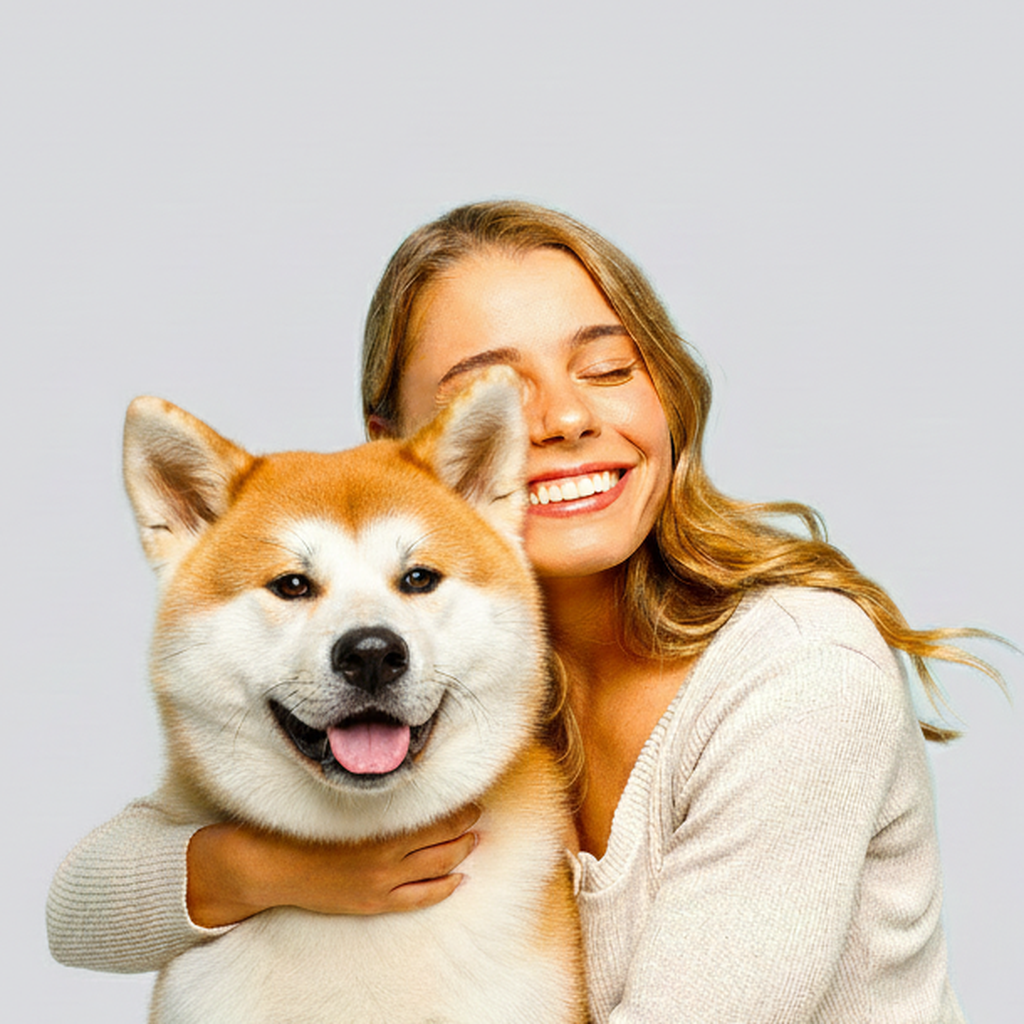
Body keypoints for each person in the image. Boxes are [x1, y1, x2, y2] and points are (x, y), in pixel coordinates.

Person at [48, 201, 999, 1022]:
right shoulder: (476, 674)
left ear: (668, 390)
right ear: (407, 446)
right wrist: (283, 871)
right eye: (488, 394)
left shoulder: (799, 676)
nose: (563, 419)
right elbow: (80, 907)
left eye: (609, 368)